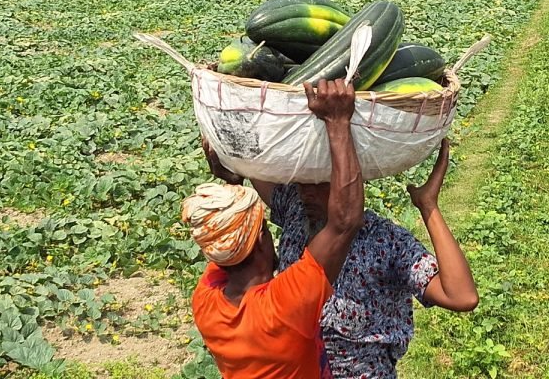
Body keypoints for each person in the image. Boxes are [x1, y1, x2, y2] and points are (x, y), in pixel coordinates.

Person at [203, 122, 479, 377]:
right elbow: (253, 173)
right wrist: (232, 167)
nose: (305, 192)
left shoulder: (385, 242)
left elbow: (461, 296)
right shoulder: (296, 214)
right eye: (301, 181)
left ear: (350, 184)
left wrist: (428, 206)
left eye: (320, 182)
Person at [185, 78, 365, 378]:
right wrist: (337, 120)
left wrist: (234, 181)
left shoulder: (206, 303)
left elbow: (227, 237)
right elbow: (345, 222)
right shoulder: (283, 307)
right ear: (259, 240)